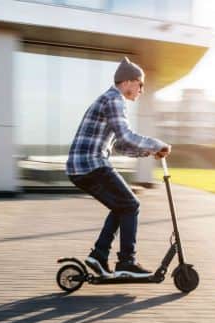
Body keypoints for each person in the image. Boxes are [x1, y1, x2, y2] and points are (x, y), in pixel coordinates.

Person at [66, 57, 171, 278]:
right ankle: (126, 263)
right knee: (131, 205)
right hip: (91, 165)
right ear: (128, 82)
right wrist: (157, 144)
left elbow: (121, 145)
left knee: (122, 206)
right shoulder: (114, 99)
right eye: (140, 84)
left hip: (83, 167)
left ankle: (99, 256)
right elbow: (126, 135)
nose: (142, 90)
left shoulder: (110, 99)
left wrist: (149, 152)